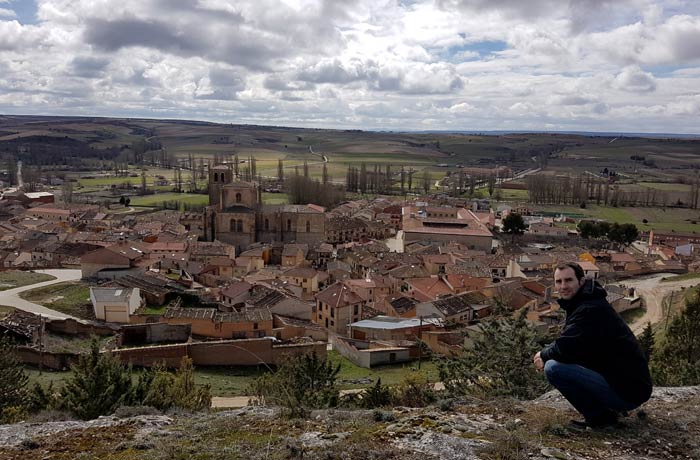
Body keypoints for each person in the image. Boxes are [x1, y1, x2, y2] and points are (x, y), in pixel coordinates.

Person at [533, 262, 652, 428]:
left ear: (581, 281)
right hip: (629, 386)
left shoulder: (589, 308)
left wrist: (543, 354)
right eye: (559, 282)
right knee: (563, 360)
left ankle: (601, 419)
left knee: (553, 368)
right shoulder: (587, 301)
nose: (563, 286)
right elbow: (573, 344)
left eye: (568, 280)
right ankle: (606, 410)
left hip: (627, 393)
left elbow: (565, 346)